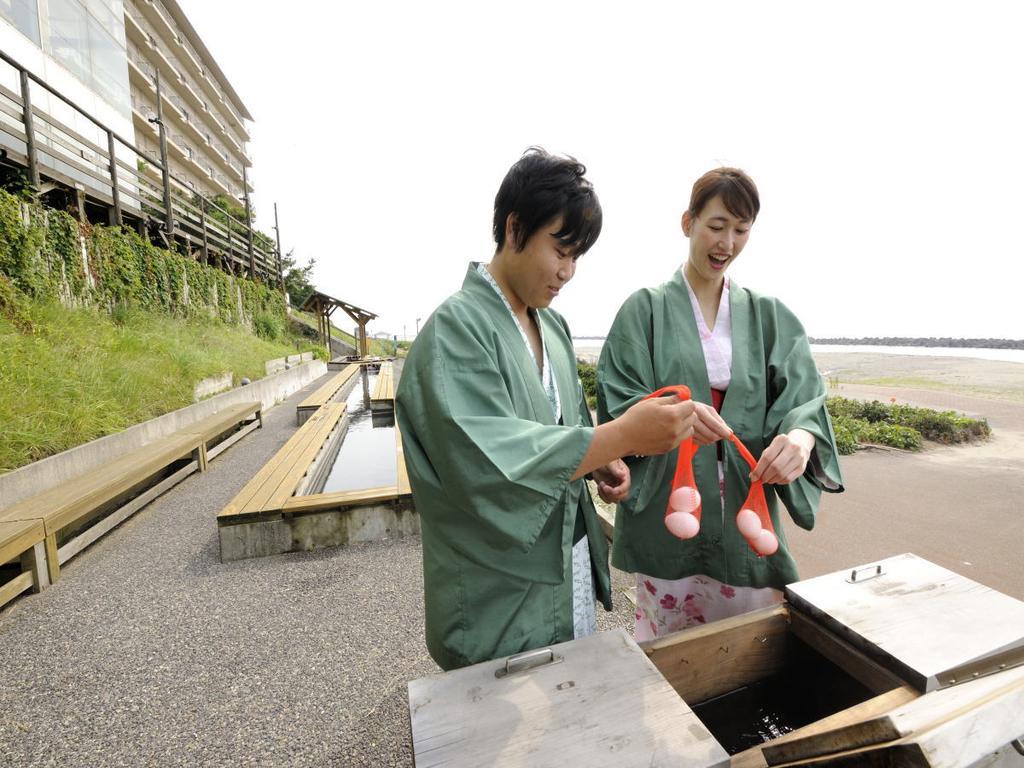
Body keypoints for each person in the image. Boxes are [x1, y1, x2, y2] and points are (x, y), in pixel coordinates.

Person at [396, 148, 697, 670]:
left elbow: (569, 429)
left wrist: (604, 459)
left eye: (577, 256)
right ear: (515, 229)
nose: (568, 271)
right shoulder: (456, 329)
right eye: (560, 250)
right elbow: (487, 464)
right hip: (499, 590)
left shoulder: (552, 326)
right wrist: (621, 436)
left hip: (568, 564)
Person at [597, 167, 844, 642]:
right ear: (687, 222)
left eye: (741, 229)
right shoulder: (643, 310)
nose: (727, 242)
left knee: (754, 651)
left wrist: (800, 438)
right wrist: (676, 416)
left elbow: (805, 399)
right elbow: (620, 400)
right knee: (670, 654)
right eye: (716, 226)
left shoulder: (771, 316)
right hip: (670, 509)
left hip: (746, 512)